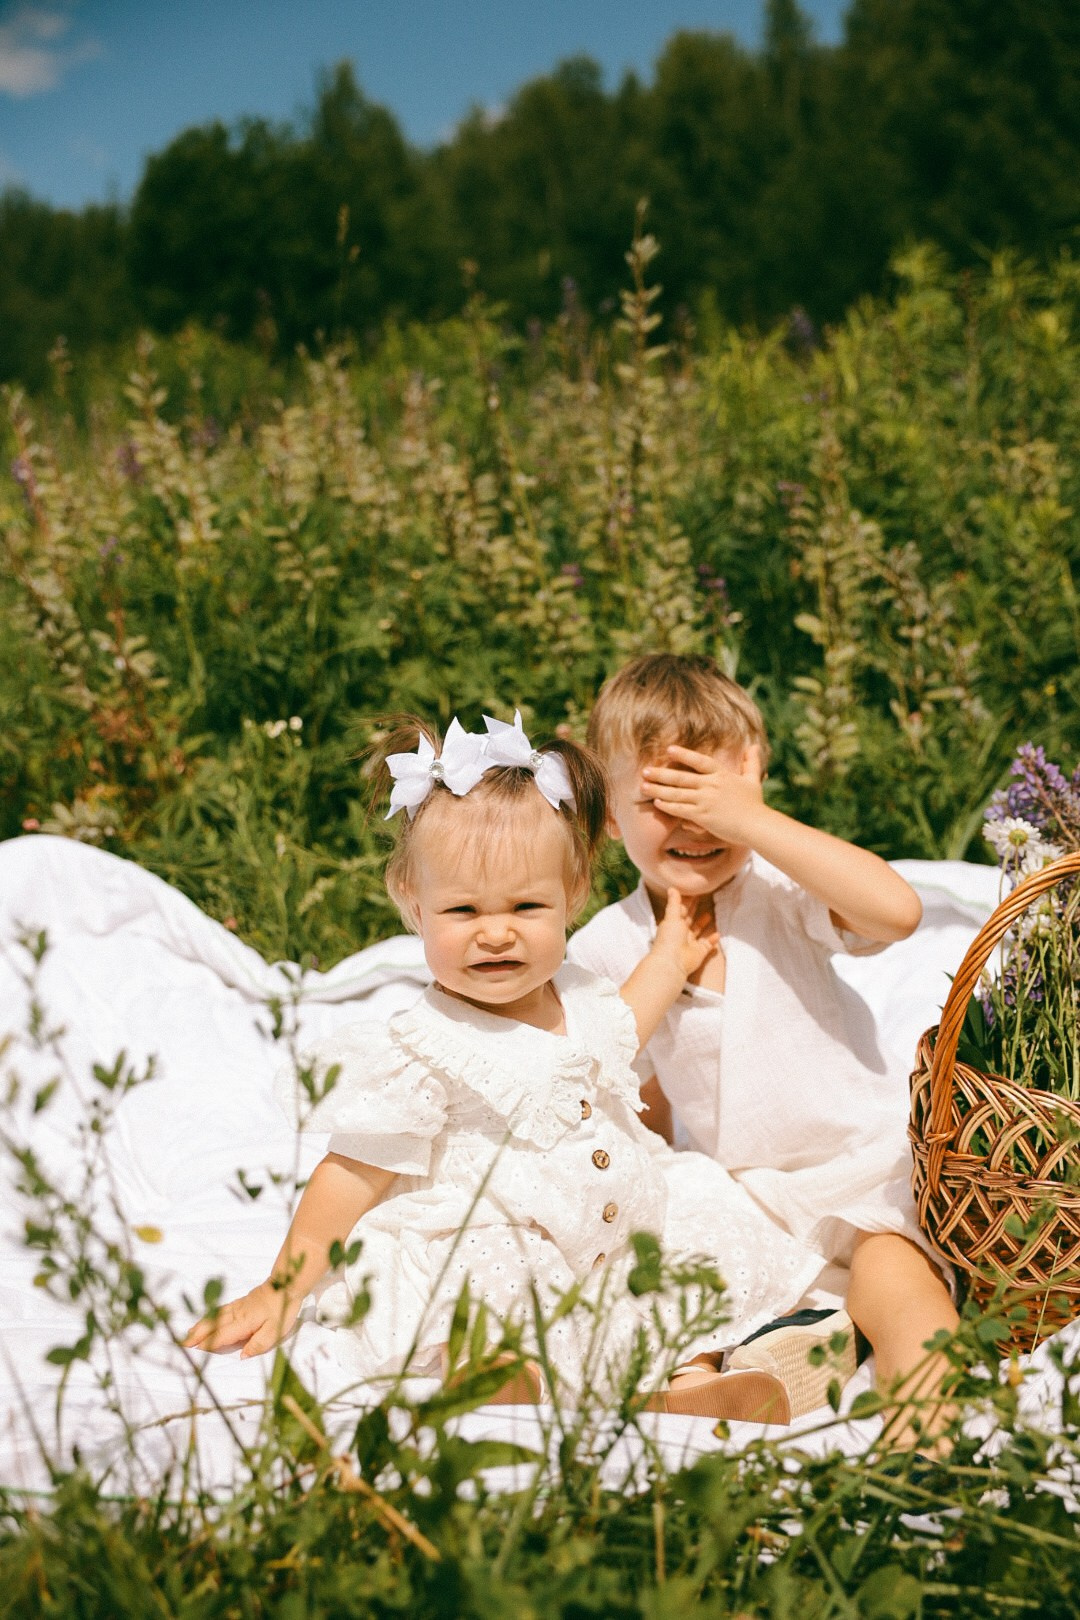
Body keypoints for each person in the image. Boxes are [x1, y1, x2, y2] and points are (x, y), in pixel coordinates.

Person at [185, 711, 824, 1420]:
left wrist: (671, 957)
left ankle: (689, 1382)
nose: (496, 931)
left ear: (572, 896)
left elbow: (626, 1028)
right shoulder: (422, 1048)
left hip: (621, 1235)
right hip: (509, 1235)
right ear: (414, 905)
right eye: (463, 910)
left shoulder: (581, 996)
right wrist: (284, 1286)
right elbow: (349, 1175)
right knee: (488, 1276)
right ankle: (501, 1371)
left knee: (694, 1237)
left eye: (526, 906)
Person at [567, 654, 959, 1435]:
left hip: (863, 1172)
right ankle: (703, 1378)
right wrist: (663, 966)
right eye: (660, 800)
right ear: (610, 815)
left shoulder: (780, 894)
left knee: (897, 1280)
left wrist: (752, 820)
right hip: (744, 1197)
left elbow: (897, 912)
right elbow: (615, 1087)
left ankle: (928, 1418)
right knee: (666, 1258)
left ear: (749, 783)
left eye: (708, 797)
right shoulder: (612, 944)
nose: (693, 824)